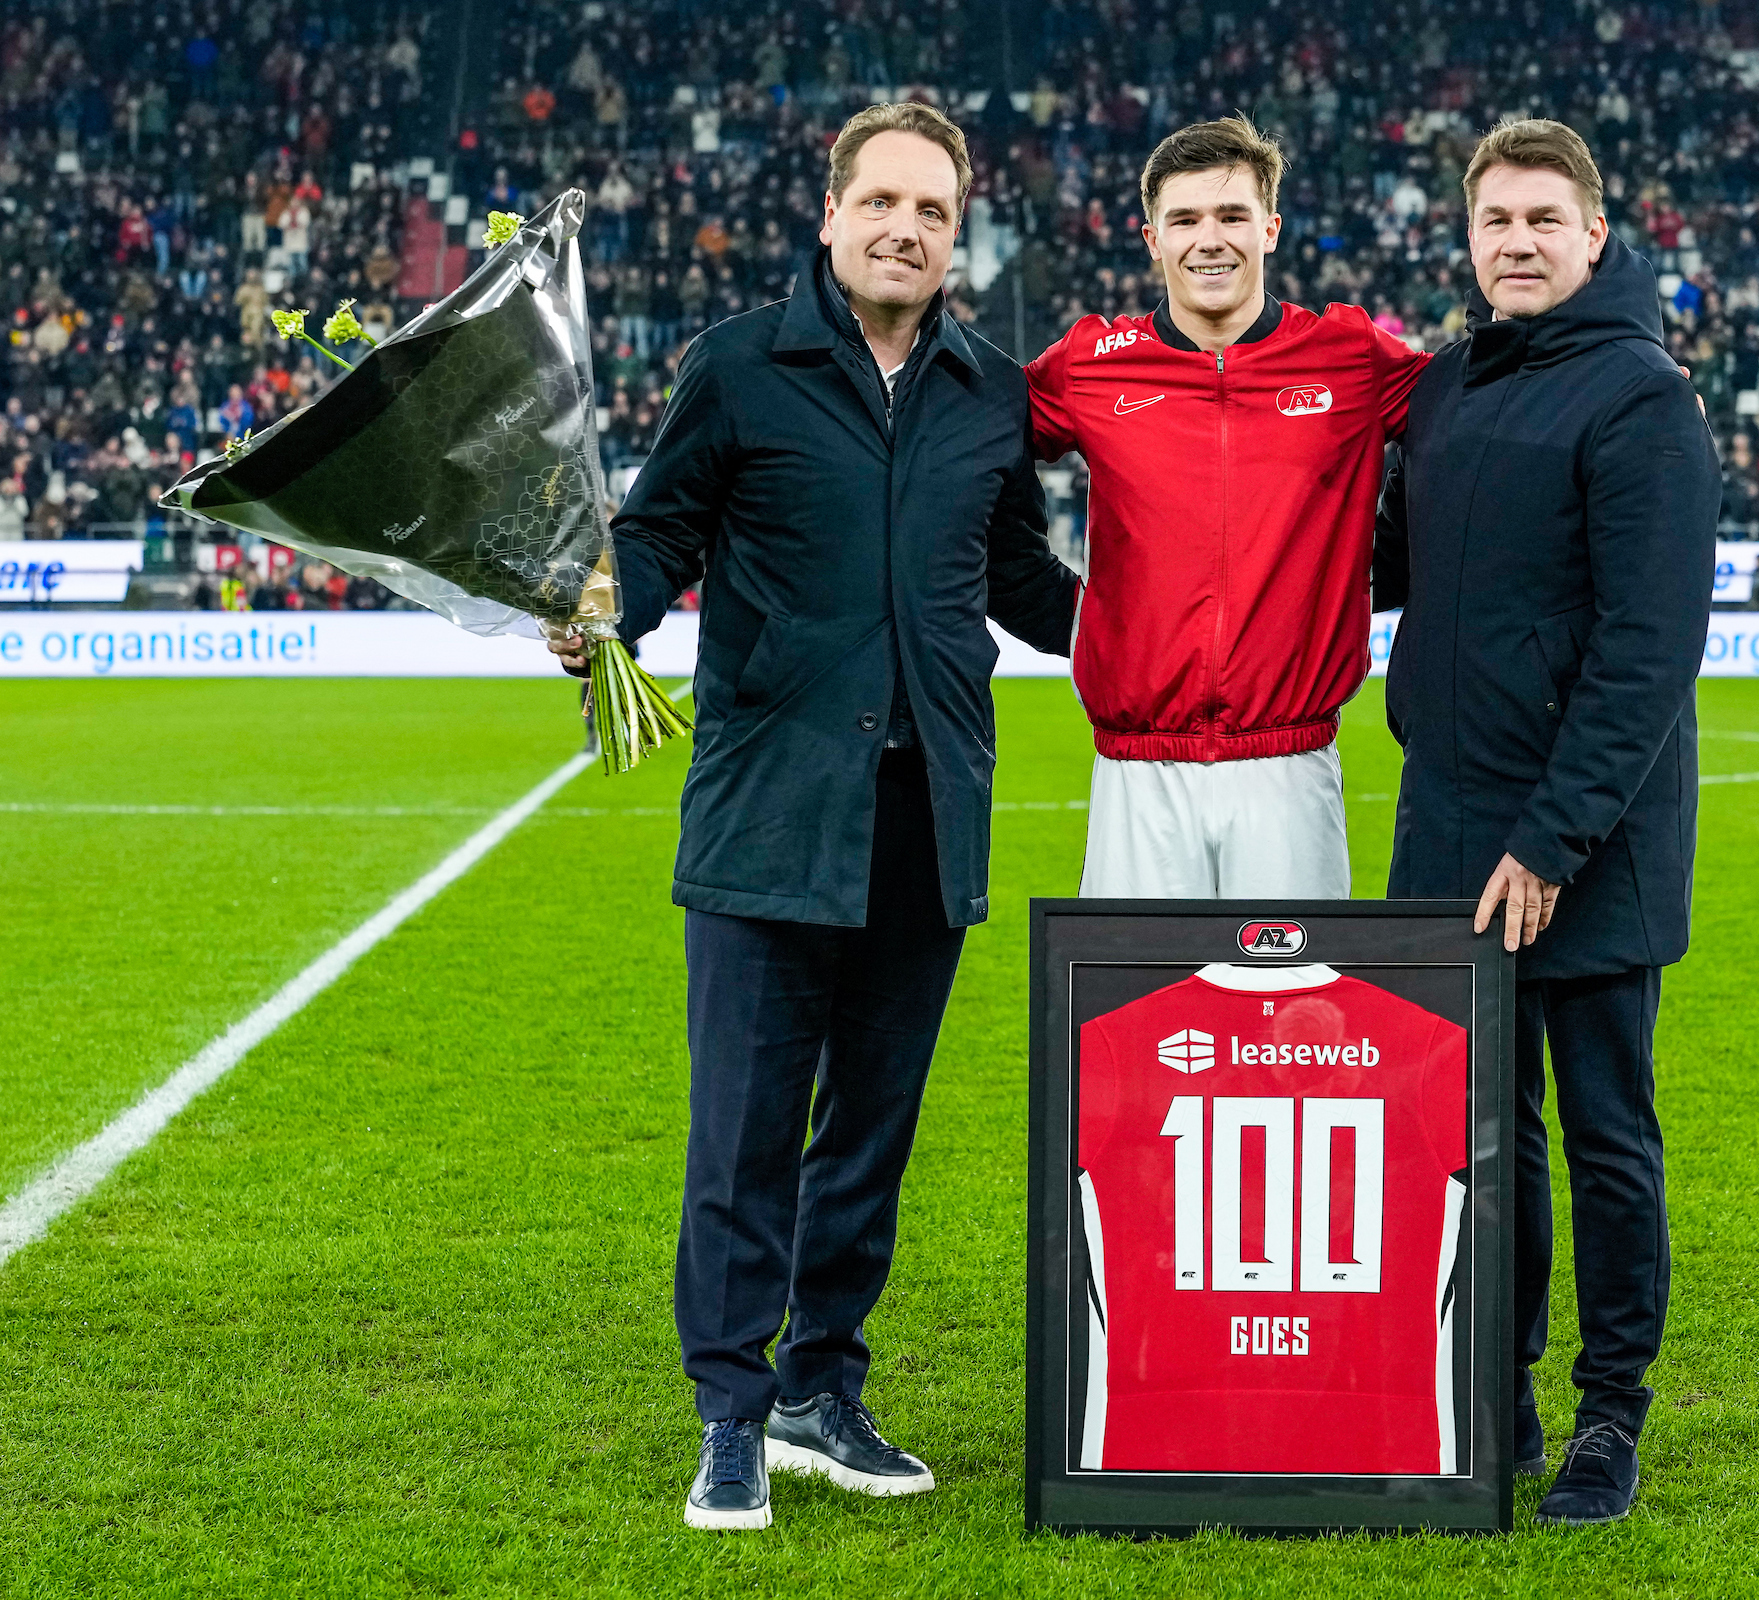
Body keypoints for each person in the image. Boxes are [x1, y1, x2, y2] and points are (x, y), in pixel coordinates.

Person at [548, 102, 1080, 1532]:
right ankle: (729, 1413)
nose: (907, 229)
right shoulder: (739, 364)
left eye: (933, 211)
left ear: (956, 234)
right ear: (832, 211)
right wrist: (596, 610)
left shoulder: (989, 389)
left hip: (928, 815)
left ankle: (820, 1385)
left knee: (870, 1133)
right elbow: (659, 530)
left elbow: (1022, 580)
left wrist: (1176, 628)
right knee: (743, 1134)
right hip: (771, 812)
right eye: (884, 203)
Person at [1371, 118, 1718, 1527]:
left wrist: (1555, 839)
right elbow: (1390, 567)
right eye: (1494, 222)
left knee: (1605, 1134)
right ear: (1469, 239)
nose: (1516, 242)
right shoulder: (1447, 385)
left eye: (1541, 220)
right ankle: (1496, 1392)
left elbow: (1650, 646)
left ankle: (1609, 1414)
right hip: (1451, 824)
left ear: (1594, 236)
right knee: (1477, 1137)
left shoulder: (1644, 396)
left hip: (1587, 844)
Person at [1025, 116, 1426, 897]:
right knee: (1137, 984)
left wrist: (1625, 380)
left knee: (1287, 985)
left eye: (1232, 216)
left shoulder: (1348, 356)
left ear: (1269, 229)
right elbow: (967, 448)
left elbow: (1481, 416)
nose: (1210, 240)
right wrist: (1051, 606)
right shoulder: (1089, 364)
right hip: (1137, 770)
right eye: (1185, 220)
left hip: (1291, 767)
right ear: (1153, 240)